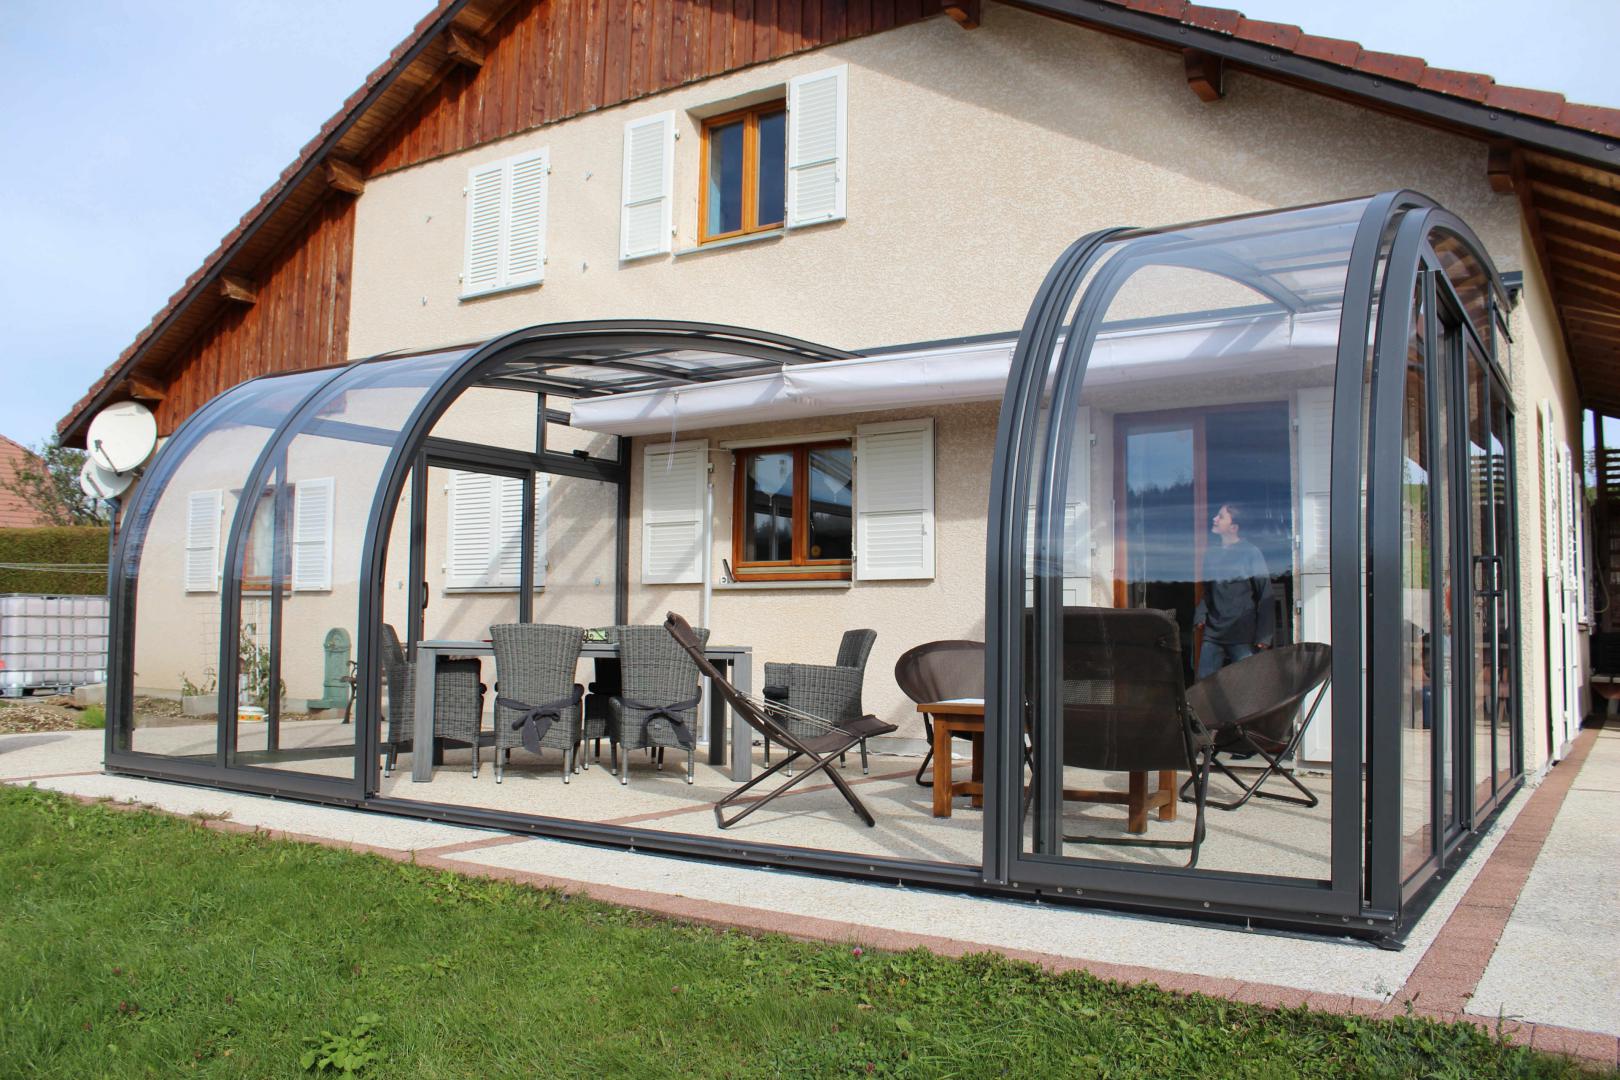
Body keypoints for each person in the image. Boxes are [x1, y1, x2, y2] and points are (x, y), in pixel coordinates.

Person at [1194, 503, 1275, 680]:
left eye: (1221, 516)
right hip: (1214, 633)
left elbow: (1265, 594)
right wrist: (1200, 614)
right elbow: (1208, 591)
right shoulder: (1211, 554)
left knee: (1246, 684)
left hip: (1242, 633)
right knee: (1204, 685)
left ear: (1233, 527)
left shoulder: (1250, 553)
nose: (1214, 519)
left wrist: (1264, 635)